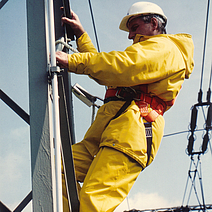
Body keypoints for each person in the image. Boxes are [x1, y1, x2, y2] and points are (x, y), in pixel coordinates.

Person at [56, 2, 194, 212]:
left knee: (92, 205)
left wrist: (74, 61)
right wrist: (82, 38)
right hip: (111, 129)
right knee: (56, 171)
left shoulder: (166, 48)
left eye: (135, 27)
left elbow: (122, 65)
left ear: (154, 23)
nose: (130, 36)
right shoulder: (148, 55)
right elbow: (111, 73)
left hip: (131, 133)